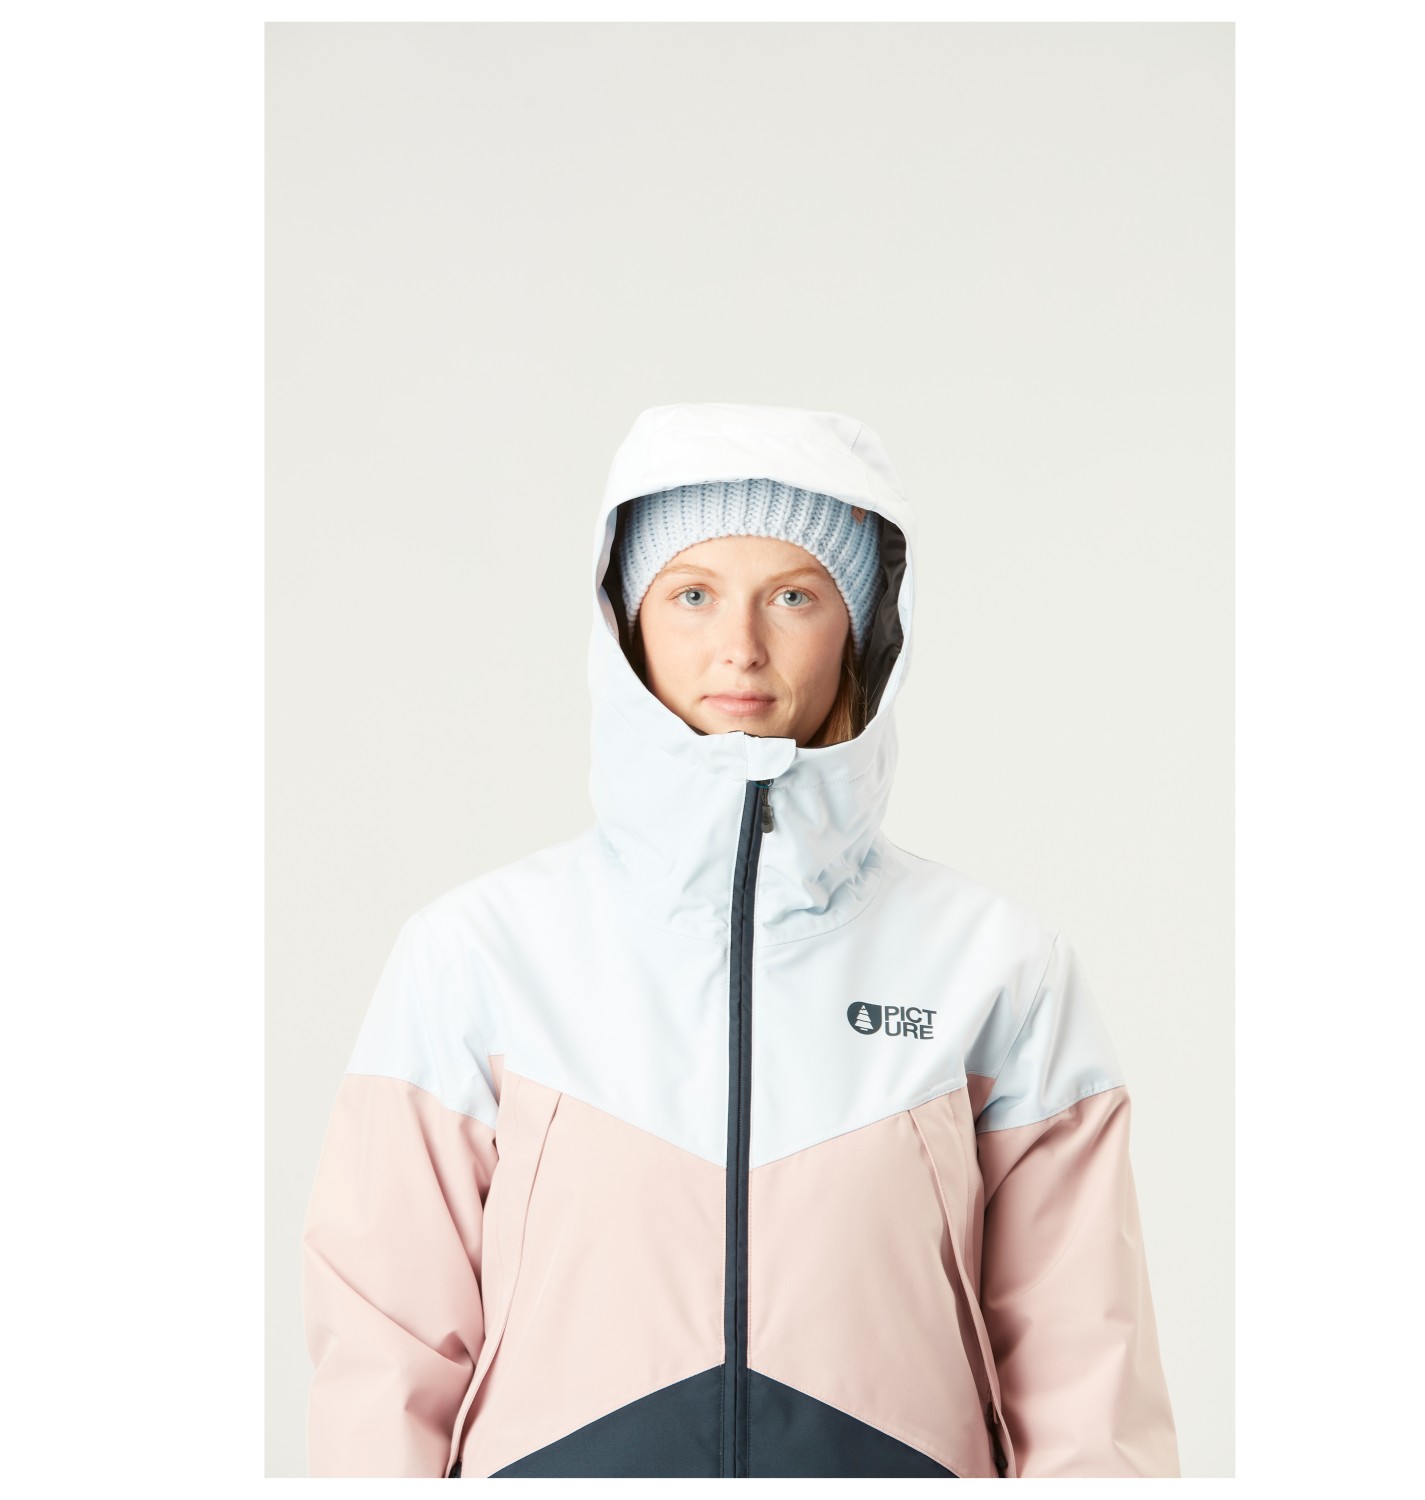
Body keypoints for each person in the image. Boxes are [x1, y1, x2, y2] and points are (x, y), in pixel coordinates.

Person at [301, 401, 1181, 1478]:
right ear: (629, 625)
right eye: (693, 594)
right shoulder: (476, 955)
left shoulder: (999, 967)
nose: (741, 646)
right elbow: (383, 1352)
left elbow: (1087, 1371)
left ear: (860, 628)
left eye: (795, 596)